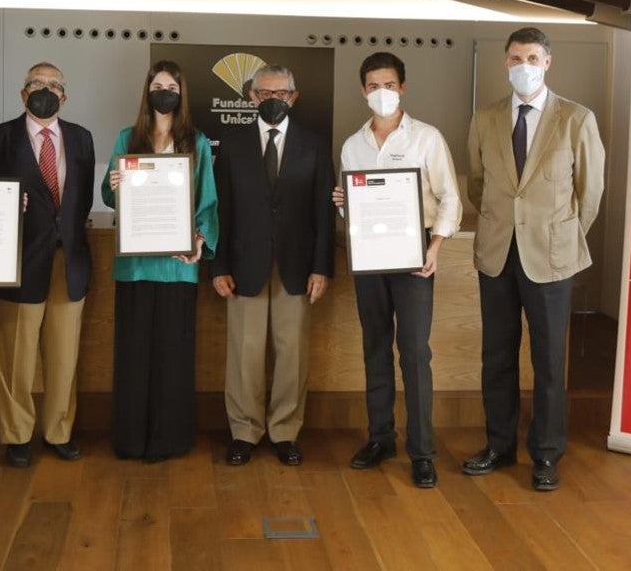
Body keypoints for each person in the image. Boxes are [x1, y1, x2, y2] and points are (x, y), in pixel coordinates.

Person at [463, 27, 605, 491]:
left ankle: (546, 454)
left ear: (547, 62)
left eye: (532, 56)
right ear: (505, 63)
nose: (523, 64)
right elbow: (478, 186)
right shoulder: (484, 119)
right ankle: (498, 447)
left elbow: (591, 192)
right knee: (496, 357)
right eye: (515, 57)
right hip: (497, 255)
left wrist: (560, 236)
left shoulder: (576, 119)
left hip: (552, 258)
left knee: (548, 361)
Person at [332, 52, 461, 489]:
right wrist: (345, 204)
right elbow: (355, 209)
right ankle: (380, 437)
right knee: (374, 347)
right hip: (369, 257)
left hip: (414, 258)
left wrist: (436, 246)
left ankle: (422, 452)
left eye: (388, 84)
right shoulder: (353, 145)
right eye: (372, 85)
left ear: (402, 88)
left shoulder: (426, 138)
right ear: (363, 90)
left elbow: (451, 198)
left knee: (415, 352)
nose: (380, 93)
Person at [212, 64, 335, 467]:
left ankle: (285, 430)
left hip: (297, 266)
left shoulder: (315, 145)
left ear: (293, 98)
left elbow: (323, 211)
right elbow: (222, 210)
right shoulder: (231, 144)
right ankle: (244, 431)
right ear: (251, 98)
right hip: (243, 264)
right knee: (244, 353)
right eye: (264, 94)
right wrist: (219, 265)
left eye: (280, 94)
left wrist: (322, 267)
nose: (272, 101)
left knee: (291, 353)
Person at [101, 60, 218, 462]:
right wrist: (113, 183)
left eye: (171, 85)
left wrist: (200, 240)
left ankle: (170, 438)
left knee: (173, 356)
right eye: (157, 84)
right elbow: (108, 195)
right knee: (133, 355)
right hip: (134, 267)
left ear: (182, 93)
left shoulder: (196, 142)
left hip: (177, 266)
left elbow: (207, 201)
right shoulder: (126, 137)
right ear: (147, 90)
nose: (164, 91)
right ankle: (130, 439)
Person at [0, 62, 95, 468]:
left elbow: (80, 202)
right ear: (22, 92)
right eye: (36, 83)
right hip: (17, 263)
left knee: (64, 358)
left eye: (53, 85)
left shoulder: (81, 139)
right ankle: (17, 436)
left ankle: (59, 431)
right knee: (16, 357)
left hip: (70, 262)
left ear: (64, 96)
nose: (44, 89)